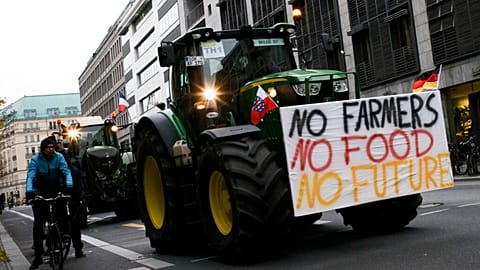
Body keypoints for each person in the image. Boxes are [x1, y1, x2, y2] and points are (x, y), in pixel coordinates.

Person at [25, 137, 74, 270]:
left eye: (53, 147)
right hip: (40, 192)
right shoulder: (36, 160)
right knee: (38, 224)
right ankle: (38, 255)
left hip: (55, 189)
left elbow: (66, 172)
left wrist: (69, 186)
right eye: (48, 147)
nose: (51, 149)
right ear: (43, 149)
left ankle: (63, 234)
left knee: (61, 211)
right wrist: (29, 192)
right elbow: (31, 176)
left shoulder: (59, 158)